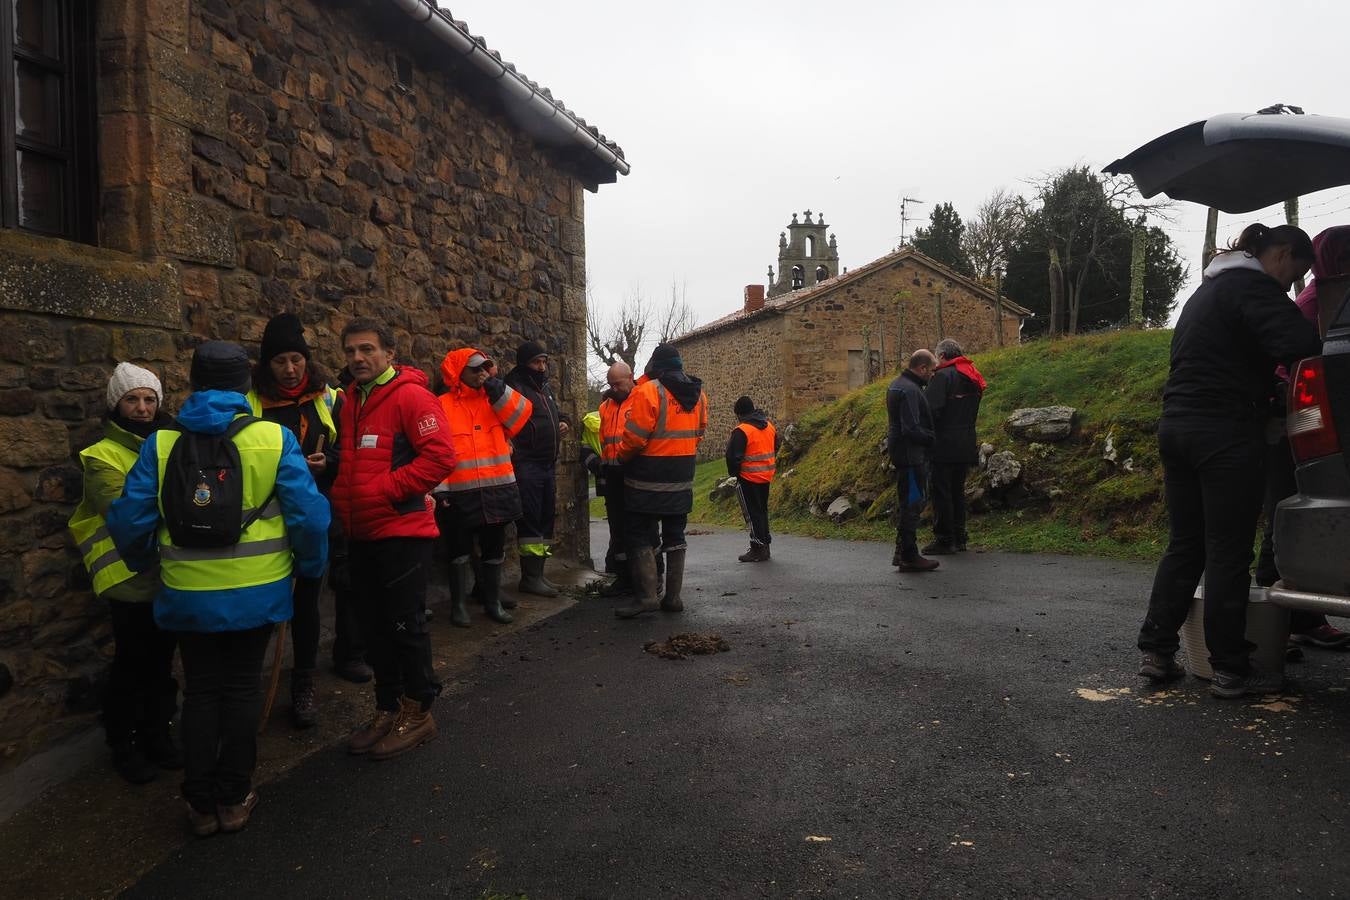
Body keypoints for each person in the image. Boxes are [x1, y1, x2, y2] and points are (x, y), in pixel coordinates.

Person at [107, 341, 329, 836]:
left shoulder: (161, 444)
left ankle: (199, 803)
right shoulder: (272, 438)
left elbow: (127, 521)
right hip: (259, 592)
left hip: (186, 593)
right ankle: (232, 798)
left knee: (203, 690)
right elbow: (309, 518)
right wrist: (310, 567)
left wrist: (149, 564)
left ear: (193, 381)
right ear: (244, 384)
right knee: (243, 688)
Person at [1137, 223, 1321, 698]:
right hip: (1224, 434)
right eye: (1292, 274)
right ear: (1280, 253)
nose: (1288, 286)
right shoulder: (1252, 285)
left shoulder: (1208, 291)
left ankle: (1157, 653)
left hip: (1176, 426)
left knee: (1186, 544)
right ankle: (1231, 669)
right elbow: (1303, 345)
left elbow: (1221, 358)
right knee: (1227, 551)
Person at [330, 319, 456, 760]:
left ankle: (419, 711)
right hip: (361, 531)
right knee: (374, 626)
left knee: (405, 626)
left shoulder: (410, 395)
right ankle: (388, 706)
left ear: (388, 353)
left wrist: (384, 490)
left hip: (401, 531)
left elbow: (442, 456)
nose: (358, 358)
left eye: (366, 349)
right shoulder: (349, 401)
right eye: (350, 351)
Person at [68, 363, 180, 785]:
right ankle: (123, 743)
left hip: (166, 572)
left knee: (162, 662)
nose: (142, 407)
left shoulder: (168, 445)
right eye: (132, 399)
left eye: (150, 399)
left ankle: (158, 735)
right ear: (116, 403)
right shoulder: (102, 456)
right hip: (127, 577)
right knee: (132, 664)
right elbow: (123, 515)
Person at [1255, 226, 1350, 649]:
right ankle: (1276, 622)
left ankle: (1299, 621)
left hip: (1301, 417)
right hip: (1294, 420)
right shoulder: (1317, 303)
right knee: (1284, 512)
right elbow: (1296, 360)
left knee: (1291, 513)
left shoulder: (1328, 299)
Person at [247, 313, 342, 728]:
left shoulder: (328, 398)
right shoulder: (251, 402)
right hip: (266, 522)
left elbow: (348, 451)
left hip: (313, 516)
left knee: (306, 605)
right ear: (266, 365)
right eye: (280, 361)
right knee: (263, 606)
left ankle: (304, 684)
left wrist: (329, 463)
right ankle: (249, 687)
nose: (289, 369)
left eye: (296, 360)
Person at [432, 347, 531, 628]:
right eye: (475, 368)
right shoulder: (441, 404)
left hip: (496, 489)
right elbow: (434, 451)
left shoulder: (496, 400)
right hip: (458, 494)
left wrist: (496, 386)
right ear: (457, 373)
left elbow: (523, 414)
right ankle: (459, 605)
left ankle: (492, 602)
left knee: (494, 550)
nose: (482, 373)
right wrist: (440, 489)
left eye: (485, 368)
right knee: (458, 551)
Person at [615, 344, 707, 618]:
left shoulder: (649, 391)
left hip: (647, 478)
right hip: (682, 477)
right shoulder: (698, 394)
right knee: (675, 536)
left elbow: (634, 438)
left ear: (656, 365)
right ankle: (674, 598)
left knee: (639, 535)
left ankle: (646, 598)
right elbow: (700, 432)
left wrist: (621, 456)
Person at [503, 341, 570, 597]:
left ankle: (539, 574)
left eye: (544, 361)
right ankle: (530, 578)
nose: (541, 367)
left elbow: (554, 413)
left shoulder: (544, 388)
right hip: (526, 464)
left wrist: (563, 421)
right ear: (524, 363)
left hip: (546, 464)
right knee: (530, 521)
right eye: (536, 362)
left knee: (544, 520)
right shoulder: (514, 387)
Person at [923, 339, 986, 555]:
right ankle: (959, 537)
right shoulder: (972, 375)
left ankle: (944, 538)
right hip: (966, 441)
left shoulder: (942, 377)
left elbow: (931, 411)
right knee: (957, 492)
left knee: (941, 492)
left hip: (943, 444)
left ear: (942, 356)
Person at [887, 350, 939, 572]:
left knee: (908, 501)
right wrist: (932, 439)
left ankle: (903, 553)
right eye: (932, 370)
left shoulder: (897, 385)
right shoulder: (910, 390)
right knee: (912, 503)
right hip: (911, 456)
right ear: (922, 368)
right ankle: (909, 555)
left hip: (902, 453)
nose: (933, 375)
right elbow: (911, 428)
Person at [596, 362, 637, 594]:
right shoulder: (605, 407)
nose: (614, 389)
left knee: (640, 529)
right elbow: (604, 440)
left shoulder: (640, 400)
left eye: (618, 384)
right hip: (613, 475)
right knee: (617, 529)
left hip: (634, 473)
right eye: (610, 385)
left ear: (630, 377)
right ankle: (622, 578)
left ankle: (649, 578)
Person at [726, 395, 779, 562]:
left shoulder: (742, 430)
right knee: (762, 511)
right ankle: (765, 545)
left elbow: (732, 457)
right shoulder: (769, 426)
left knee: (751, 513)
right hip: (766, 475)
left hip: (748, 477)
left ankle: (758, 548)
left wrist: (735, 474)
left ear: (739, 414)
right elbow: (776, 446)